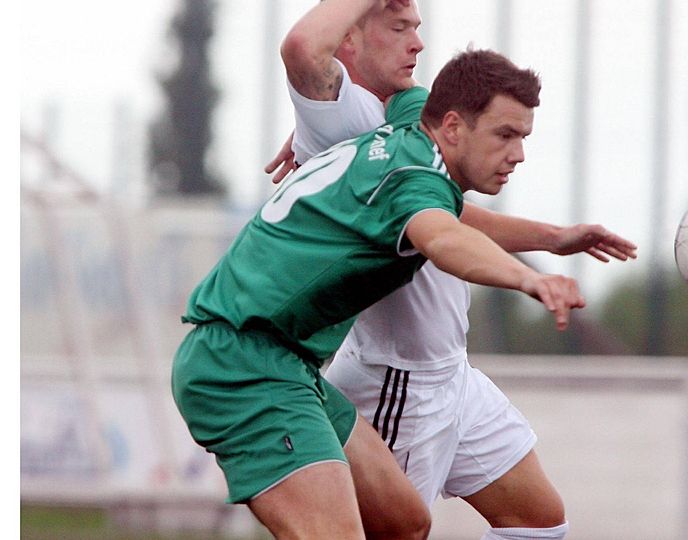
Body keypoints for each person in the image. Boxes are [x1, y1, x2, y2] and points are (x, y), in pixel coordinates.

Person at [172, 48, 586, 539]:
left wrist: (552, 239)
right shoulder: (414, 180)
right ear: (453, 127)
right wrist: (529, 279)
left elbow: (399, 95)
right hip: (242, 367)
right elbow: (444, 238)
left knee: (408, 523)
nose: (517, 153)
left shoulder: (412, 126)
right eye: (505, 135)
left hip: (291, 369)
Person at [267, 1, 639, 539]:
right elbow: (303, 50)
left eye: (418, 29)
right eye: (399, 28)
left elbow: (449, 212)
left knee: (538, 524)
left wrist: (555, 239)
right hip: (399, 381)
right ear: (349, 38)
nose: (418, 43)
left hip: (452, 377)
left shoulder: (403, 113)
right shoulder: (343, 124)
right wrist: (527, 278)